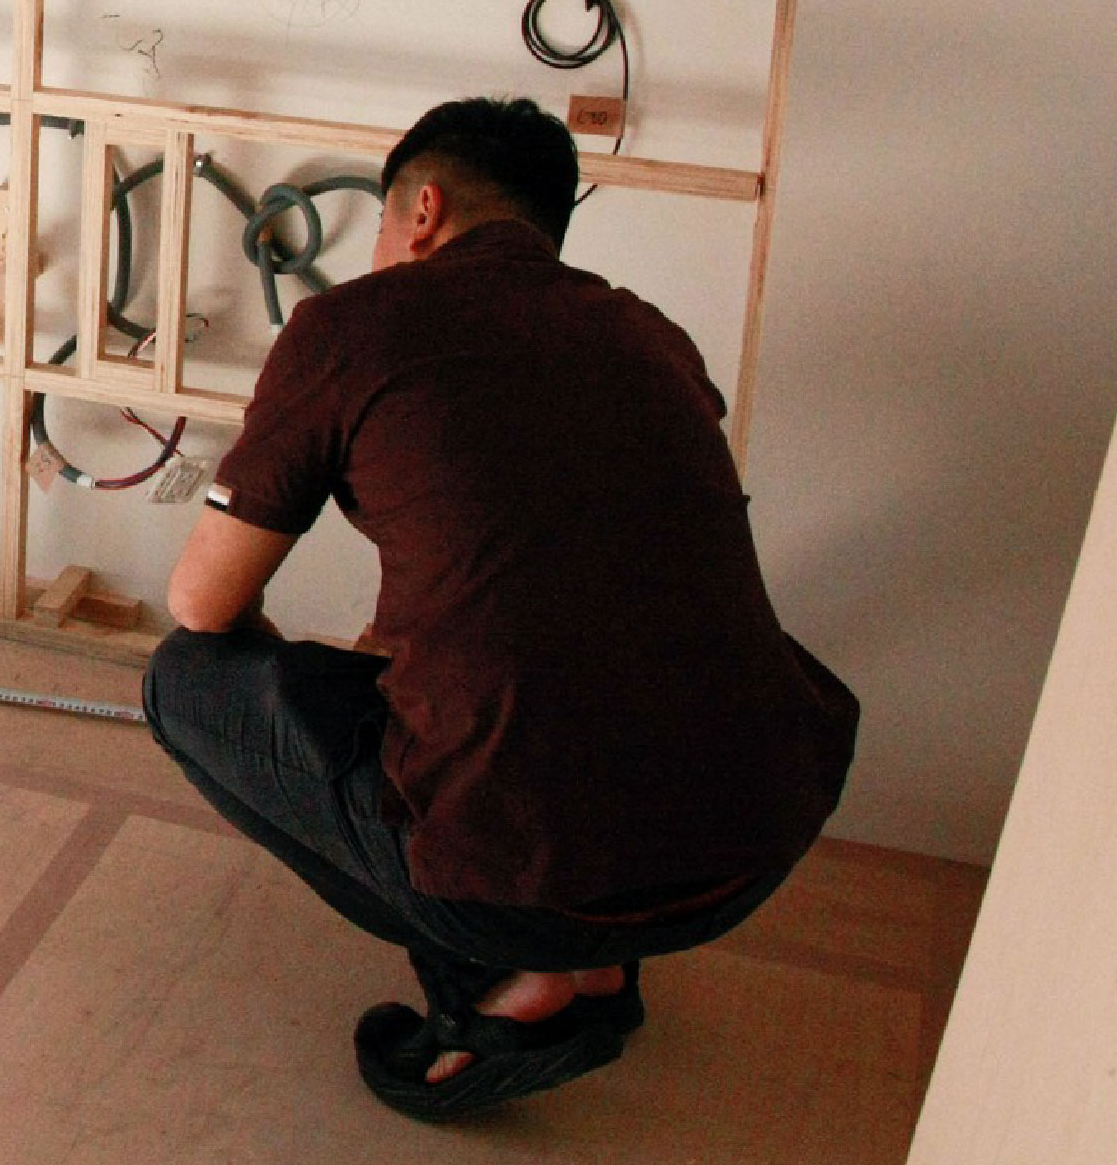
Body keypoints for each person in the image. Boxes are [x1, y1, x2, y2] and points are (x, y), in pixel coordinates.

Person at [148, 96, 858, 1121]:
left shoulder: (354, 323)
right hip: (752, 841)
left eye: (383, 222)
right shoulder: (648, 334)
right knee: (505, 699)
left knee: (184, 680)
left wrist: (291, 667)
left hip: (528, 872)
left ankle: (495, 994)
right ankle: (594, 968)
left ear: (423, 211)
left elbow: (201, 603)